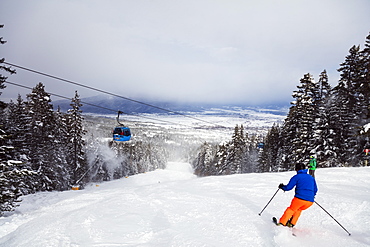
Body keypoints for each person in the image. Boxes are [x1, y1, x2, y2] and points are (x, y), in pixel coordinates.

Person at [277, 163, 318, 227]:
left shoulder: (297, 177)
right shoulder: (311, 177)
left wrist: (282, 187)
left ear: (296, 169)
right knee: (298, 209)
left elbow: (288, 188)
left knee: (291, 209)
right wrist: (310, 196)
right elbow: (315, 189)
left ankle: (282, 223)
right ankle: (291, 223)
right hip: (310, 201)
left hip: (299, 199)